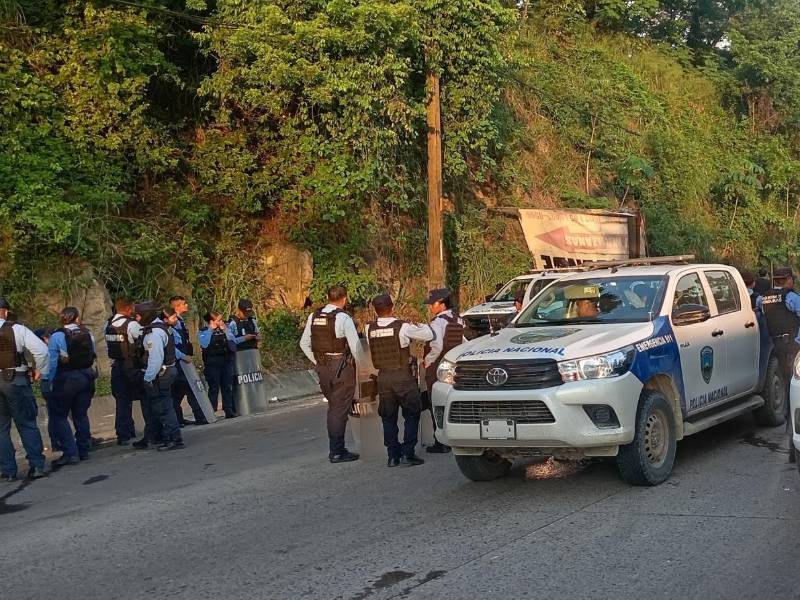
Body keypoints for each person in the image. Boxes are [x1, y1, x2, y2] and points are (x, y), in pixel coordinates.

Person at [365, 293, 434, 468]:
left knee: (388, 417)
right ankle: (408, 453)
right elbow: (428, 334)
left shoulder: (369, 329)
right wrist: (417, 324)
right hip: (403, 376)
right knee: (412, 413)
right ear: (392, 307)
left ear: (376, 310)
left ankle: (392, 456)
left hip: (383, 377)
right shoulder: (403, 327)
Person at [299, 285, 364, 464]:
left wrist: (317, 362)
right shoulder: (343, 318)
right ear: (344, 299)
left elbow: (304, 344)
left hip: (323, 368)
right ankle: (337, 451)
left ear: (327, 297)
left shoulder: (314, 316)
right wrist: (363, 368)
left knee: (334, 407)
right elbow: (356, 348)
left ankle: (336, 448)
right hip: (341, 368)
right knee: (338, 409)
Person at [0, 297, 49, 481]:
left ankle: (8, 471)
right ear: (5, 311)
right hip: (16, 380)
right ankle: (36, 466)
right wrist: (41, 371)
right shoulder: (16, 329)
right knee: (27, 424)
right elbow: (42, 351)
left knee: (1, 429)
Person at [44, 307, 97, 467]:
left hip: (66, 378)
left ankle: (70, 453)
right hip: (87, 375)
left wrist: (50, 381)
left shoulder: (57, 336)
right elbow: (92, 354)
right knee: (81, 414)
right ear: (77, 318)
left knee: (59, 415)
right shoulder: (88, 333)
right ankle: (84, 449)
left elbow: (52, 362)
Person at [423, 288, 465, 454]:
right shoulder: (459, 320)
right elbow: (464, 342)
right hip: (453, 366)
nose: (431, 307)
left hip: (437, 367)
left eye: (433, 304)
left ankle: (440, 442)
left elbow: (437, 345)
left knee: (436, 403)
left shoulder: (437, 323)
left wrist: (428, 360)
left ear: (442, 304)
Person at [137, 304, 184, 451]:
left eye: (138, 315)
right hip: (164, 372)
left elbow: (156, 359)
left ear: (145, 315)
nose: (136, 318)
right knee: (160, 407)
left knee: (164, 408)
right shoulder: (158, 328)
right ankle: (164, 437)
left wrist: (148, 378)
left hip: (160, 374)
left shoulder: (154, 333)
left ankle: (174, 439)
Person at [105, 297, 143, 445]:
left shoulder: (108, 324)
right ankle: (153, 431)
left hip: (117, 367)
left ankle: (123, 433)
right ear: (129, 308)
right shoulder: (132, 324)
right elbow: (142, 341)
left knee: (122, 401)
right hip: (132, 366)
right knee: (145, 397)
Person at [168, 296, 208, 427]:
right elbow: (170, 345)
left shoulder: (179, 321)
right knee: (191, 389)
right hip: (178, 362)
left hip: (182, 362)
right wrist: (182, 356)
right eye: (184, 304)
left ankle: (178, 419)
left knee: (177, 393)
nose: (186, 305)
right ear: (177, 306)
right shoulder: (171, 324)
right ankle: (200, 416)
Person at [199, 310, 237, 419]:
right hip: (212, 363)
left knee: (227, 387)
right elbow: (204, 344)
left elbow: (233, 343)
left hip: (226, 361)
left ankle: (228, 410)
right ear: (212, 321)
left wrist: (225, 330)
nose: (221, 322)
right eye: (219, 320)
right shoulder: (204, 331)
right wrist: (211, 330)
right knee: (213, 388)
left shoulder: (225, 329)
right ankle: (211, 412)